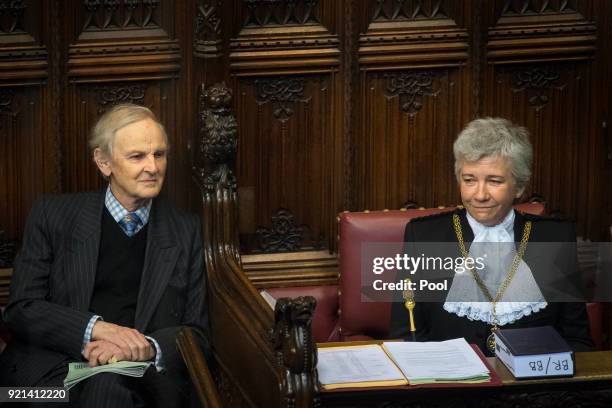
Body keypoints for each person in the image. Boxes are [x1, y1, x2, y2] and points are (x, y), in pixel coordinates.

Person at [0, 104, 209, 407]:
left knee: (108, 386)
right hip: (48, 376)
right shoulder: (52, 215)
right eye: (137, 156)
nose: (153, 167)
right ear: (103, 161)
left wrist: (144, 347)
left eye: (159, 154)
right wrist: (95, 328)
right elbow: (21, 309)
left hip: (138, 377)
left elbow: (197, 334)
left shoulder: (186, 230)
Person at [389, 117, 593, 355]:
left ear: (519, 187)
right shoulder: (423, 236)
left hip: (531, 387)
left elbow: (577, 340)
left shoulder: (555, 237)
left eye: (494, 181)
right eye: (469, 180)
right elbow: (407, 335)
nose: (480, 195)